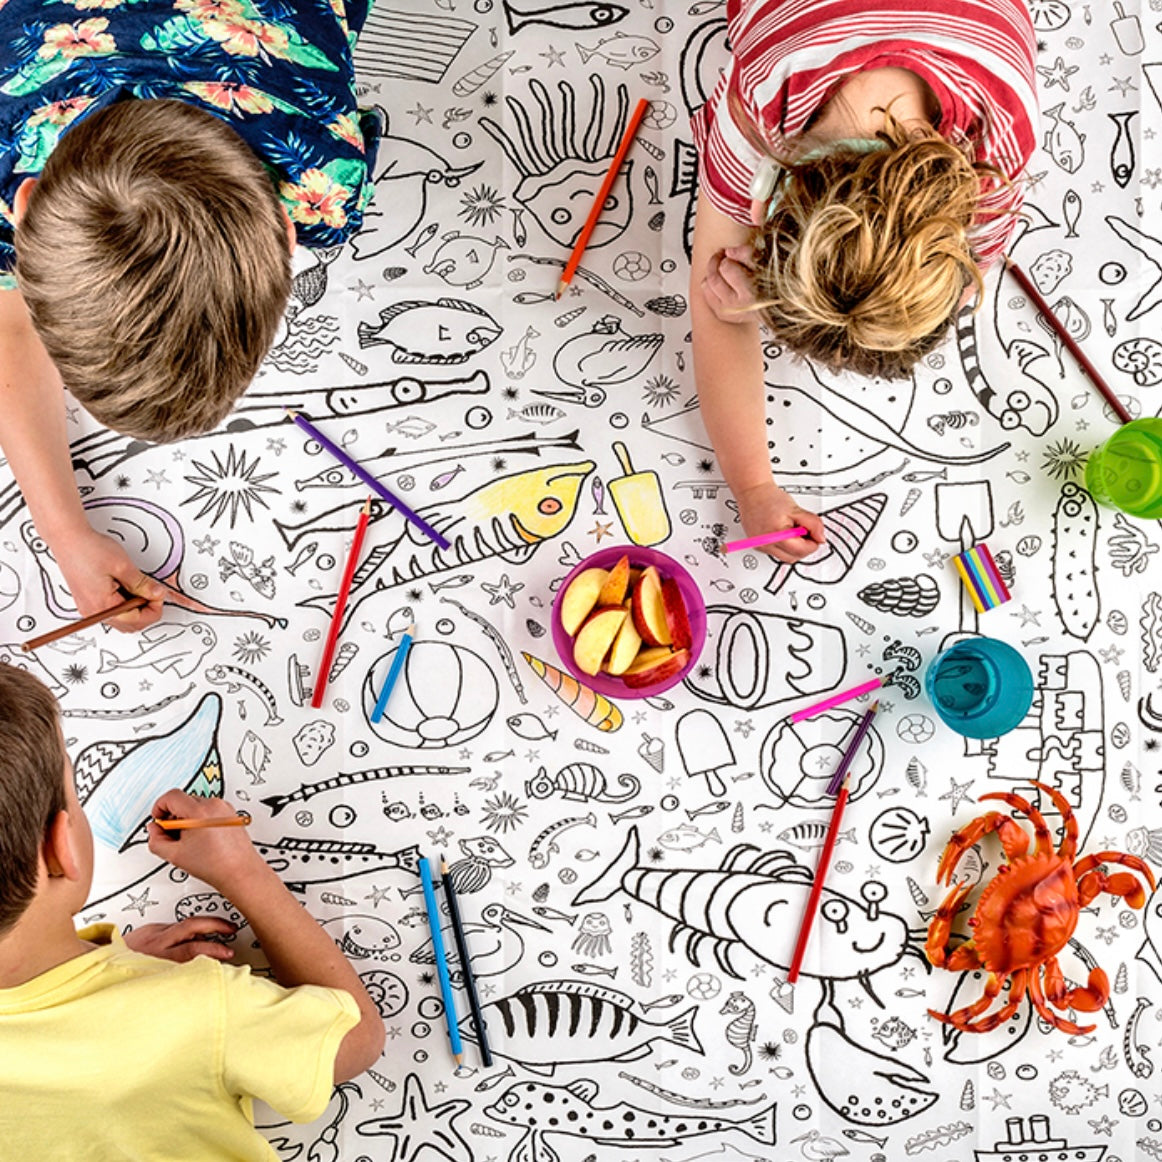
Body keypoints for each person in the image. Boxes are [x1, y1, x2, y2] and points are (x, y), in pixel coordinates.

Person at [0, 0, 380, 629]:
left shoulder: (325, 178)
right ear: (286, 233)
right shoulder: (323, 175)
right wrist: (66, 534)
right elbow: (9, 321)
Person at [689, 0, 1038, 561]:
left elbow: (960, 286)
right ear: (771, 204)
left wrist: (756, 486)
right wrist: (752, 484)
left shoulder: (1001, 138)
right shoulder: (760, 105)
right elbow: (709, 293)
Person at [0, 662, 386, 1158]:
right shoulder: (197, 1010)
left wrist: (114, 968)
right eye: (74, 795)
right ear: (60, 848)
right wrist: (243, 873)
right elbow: (357, 1036)